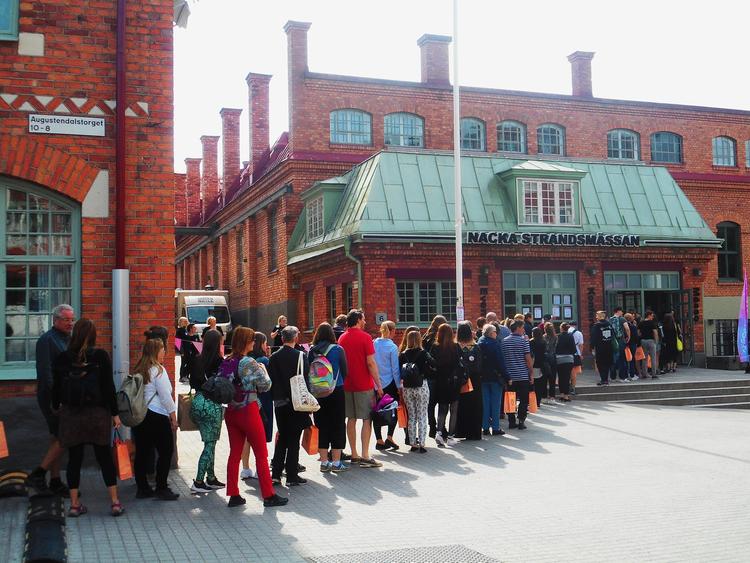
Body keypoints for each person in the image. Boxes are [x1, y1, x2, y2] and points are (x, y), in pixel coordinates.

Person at [51, 318, 124, 517]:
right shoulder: (100, 356)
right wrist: (115, 414)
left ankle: (75, 505)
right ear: (93, 336)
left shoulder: (63, 359)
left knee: (74, 459)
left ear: (74, 335)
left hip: (71, 414)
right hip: (97, 414)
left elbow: (56, 388)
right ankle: (115, 502)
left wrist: (56, 407)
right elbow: (108, 387)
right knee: (104, 458)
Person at [222, 327, 286, 507]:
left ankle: (233, 494)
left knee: (234, 454)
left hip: (231, 411)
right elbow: (266, 385)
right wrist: (263, 369)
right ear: (245, 342)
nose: (253, 342)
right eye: (251, 339)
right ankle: (268, 495)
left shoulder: (227, 360)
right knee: (261, 453)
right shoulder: (249, 362)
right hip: (248, 410)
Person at [27, 304, 75, 496]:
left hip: (63, 395)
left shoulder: (67, 338)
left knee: (56, 437)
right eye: (66, 320)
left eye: (72, 319)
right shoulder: (47, 340)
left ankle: (55, 481)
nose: (70, 323)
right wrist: (56, 400)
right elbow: (46, 374)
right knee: (63, 436)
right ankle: (38, 474)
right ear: (55, 320)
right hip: (53, 397)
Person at [132, 338, 179, 501]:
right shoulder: (158, 370)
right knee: (166, 451)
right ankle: (161, 487)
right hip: (156, 415)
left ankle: (142, 488)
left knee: (142, 453)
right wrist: (173, 417)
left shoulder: (139, 369)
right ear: (155, 352)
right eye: (162, 349)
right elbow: (166, 396)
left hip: (141, 415)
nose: (164, 352)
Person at [338, 309, 384, 468]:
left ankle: (354, 454)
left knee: (351, 419)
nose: (365, 321)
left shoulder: (342, 338)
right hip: (364, 384)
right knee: (366, 419)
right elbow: (371, 363)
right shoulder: (365, 337)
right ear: (358, 320)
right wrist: (378, 384)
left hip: (347, 384)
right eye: (363, 319)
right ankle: (365, 455)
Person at [269, 325, 313, 485]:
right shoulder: (301, 356)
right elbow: (306, 380)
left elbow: (271, 379)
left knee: (282, 436)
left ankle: (276, 474)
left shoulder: (274, 357)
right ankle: (292, 475)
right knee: (294, 438)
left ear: (282, 339)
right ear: (296, 338)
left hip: (280, 401)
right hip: (297, 402)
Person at [188, 329, 225, 493]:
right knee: (210, 444)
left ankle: (211, 478)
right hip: (212, 405)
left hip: (197, 402)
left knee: (210, 442)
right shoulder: (219, 361)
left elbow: (192, 382)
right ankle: (198, 481)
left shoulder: (197, 359)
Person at [309, 322, 349, 472]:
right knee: (338, 425)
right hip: (336, 390)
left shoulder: (312, 351)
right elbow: (345, 371)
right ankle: (336, 463)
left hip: (318, 393)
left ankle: (324, 462)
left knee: (322, 425)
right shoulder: (338, 349)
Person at [240, 331, 274, 480]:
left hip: (246, 401)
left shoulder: (245, 360)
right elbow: (267, 383)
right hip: (263, 401)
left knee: (247, 437)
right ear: (261, 344)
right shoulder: (263, 361)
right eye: (265, 343)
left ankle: (245, 468)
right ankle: (261, 469)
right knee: (260, 437)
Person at [399, 330, 435, 452]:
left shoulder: (403, 354)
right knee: (422, 415)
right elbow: (434, 363)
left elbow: (399, 371)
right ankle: (422, 443)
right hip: (421, 386)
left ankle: (413, 443)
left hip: (407, 388)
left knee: (412, 416)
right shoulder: (423, 353)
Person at [429, 323, 463, 447]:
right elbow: (460, 363)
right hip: (453, 381)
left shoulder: (435, 347)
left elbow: (432, 363)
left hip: (440, 381)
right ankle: (450, 437)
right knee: (454, 410)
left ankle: (439, 433)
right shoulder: (455, 346)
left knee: (442, 409)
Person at [373, 320, 401, 451]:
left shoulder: (374, 343)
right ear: (392, 331)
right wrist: (398, 386)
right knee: (393, 411)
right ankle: (389, 437)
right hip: (389, 383)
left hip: (375, 383)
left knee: (376, 411)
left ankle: (379, 440)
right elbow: (395, 369)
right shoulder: (392, 347)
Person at [454, 321, 483, 441]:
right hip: (474, 380)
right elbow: (479, 366)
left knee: (460, 406)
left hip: (459, 381)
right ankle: (474, 432)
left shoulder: (455, 347)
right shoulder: (475, 347)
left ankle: (460, 431)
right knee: (475, 406)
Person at [502, 320, 533, 430]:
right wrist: (531, 372)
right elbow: (528, 358)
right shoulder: (524, 341)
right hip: (522, 375)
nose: (524, 330)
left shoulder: (504, 342)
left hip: (510, 376)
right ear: (518, 328)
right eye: (523, 327)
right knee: (524, 399)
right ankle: (521, 420)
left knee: (510, 398)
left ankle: (511, 421)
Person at [477, 324, 505, 436]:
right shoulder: (495, 344)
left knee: (485, 403)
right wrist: (507, 376)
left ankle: (485, 427)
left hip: (482, 377)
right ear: (491, 333)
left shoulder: (479, 343)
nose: (496, 333)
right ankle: (495, 427)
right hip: (495, 376)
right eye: (495, 331)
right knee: (496, 403)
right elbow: (500, 362)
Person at [422, 314, 447, 437]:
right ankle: (441, 427)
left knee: (430, 403)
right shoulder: (440, 338)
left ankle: (432, 427)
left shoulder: (426, 337)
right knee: (442, 402)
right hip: (440, 374)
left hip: (429, 374)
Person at [590, 311, 615, 386]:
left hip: (600, 347)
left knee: (600, 363)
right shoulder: (609, 324)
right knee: (607, 364)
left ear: (599, 316)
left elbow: (593, 337)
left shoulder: (596, 326)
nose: (596, 317)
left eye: (597, 315)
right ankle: (605, 380)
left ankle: (603, 380)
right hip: (609, 347)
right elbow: (613, 335)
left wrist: (592, 347)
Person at [555, 323, 576, 402]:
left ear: (561, 328)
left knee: (561, 377)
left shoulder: (558, 336)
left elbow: (555, 348)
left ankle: (561, 394)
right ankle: (566, 396)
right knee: (567, 377)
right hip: (569, 359)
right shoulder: (571, 336)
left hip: (559, 359)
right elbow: (574, 349)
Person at [609, 307, 631, 383]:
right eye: (621, 311)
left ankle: (613, 377)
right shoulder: (622, 319)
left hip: (612, 342)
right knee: (622, 359)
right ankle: (623, 377)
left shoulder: (610, 319)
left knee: (613, 359)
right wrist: (628, 336)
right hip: (620, 341)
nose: (622, 313)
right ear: (618, 311)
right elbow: (627, 328)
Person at [638, 310, 659, 378]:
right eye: (652, 316)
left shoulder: (641, 323)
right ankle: (654, 374)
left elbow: (638, 332)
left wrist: (641, 337)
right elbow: (655, 332)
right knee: (653, 357)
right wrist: (656, 341)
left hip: (643, 341)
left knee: (644, 358)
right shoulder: (652, 323)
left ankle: (644, 373)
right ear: (649, 315)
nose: (652, 317)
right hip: (651, 340)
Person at [530, 327, 546, 408]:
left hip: (533, 364)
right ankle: (538, 402)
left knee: (532, 384)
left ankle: (532, 402)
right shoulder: (543, 342)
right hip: (541, 365)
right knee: (539, 385)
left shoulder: (531, 342)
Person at [543, 322, 558, 403]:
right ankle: (552, 397)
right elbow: (556, 348)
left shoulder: (543, 337)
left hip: (545, 359)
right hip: (553, 358)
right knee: (552, 378)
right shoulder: (555, 337)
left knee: (544, 379)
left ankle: (544, 397)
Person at [568, 321, 583, 394]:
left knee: (567, 372)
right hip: (576, 354)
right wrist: (580, 354)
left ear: (569, 325)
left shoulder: (566, 332)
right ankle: (573, 388)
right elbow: (581, 345)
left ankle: (566, 387)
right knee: (574, 373)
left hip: (567, 354)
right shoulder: (579, 333)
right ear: (575, 325)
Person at [624, 313, 640, 380]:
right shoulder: (633, 326)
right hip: (632, 344)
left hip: (625, 344)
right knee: (632, 359)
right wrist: (637, 343)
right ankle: (632, 374)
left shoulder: (623, 326)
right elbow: (636, 336)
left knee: (625, 359)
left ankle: (625, 374)